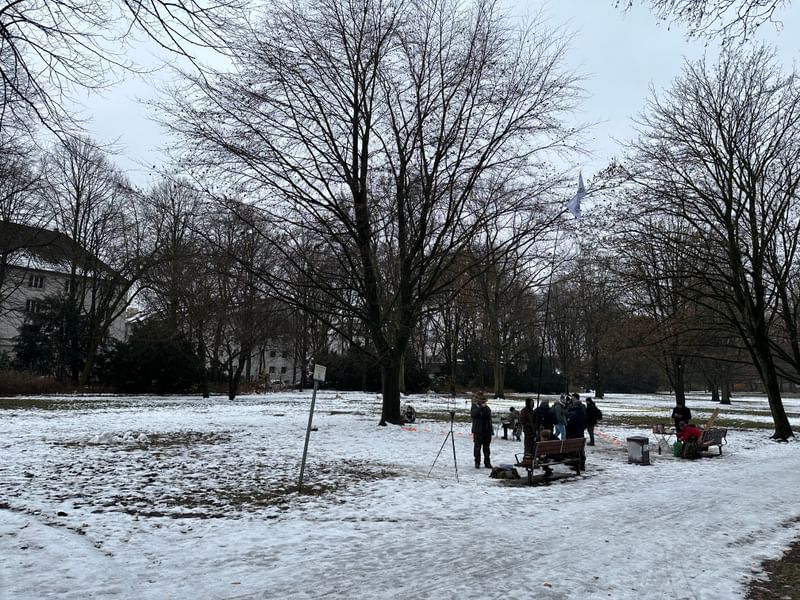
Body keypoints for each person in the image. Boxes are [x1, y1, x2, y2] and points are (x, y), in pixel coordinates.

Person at [470, 394, 493, 468]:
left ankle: (487, 462)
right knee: (477, 448)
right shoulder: (474, 407)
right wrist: (481, 408)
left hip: (487, 431)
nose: (483, 402)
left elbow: (488, 417)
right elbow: (474, 414)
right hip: (478, 431)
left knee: (487, 448)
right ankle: (477, 462)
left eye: (484, 400)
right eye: (482, 400)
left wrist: (491, 429)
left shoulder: (487, 408)